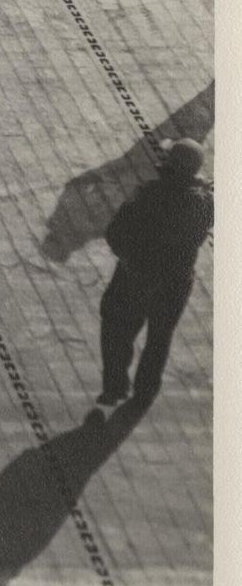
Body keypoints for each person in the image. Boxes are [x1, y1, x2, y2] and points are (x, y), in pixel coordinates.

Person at [96, 138, 212, 410]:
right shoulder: (205, 203)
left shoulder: (148, 195)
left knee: (116, 329)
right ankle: (144, 394)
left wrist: (127, 255)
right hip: (176, 283)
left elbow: (115, 232)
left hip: (135, 278)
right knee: (159, 339)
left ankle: (114, 386)